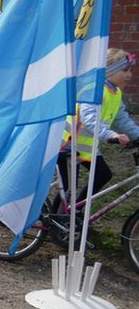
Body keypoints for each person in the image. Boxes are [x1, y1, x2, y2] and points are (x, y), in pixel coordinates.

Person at [58, 48, 138, 200]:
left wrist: (136, 135)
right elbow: (89, 118)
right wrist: (111, 134)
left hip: (85, 146)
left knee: (103, 174)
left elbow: (122, 119)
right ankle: (58, 220)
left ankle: (78, 211)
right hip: (68, 143)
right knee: (68, 188)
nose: (129, 75)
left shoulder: (116, 92)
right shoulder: (94, 90)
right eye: (125, 70)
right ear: (109, 71)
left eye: (131, 70)